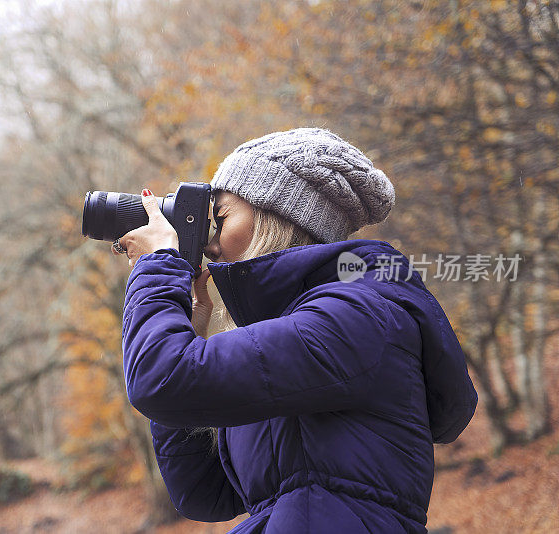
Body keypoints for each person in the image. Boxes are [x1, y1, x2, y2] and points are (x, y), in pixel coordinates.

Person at [112, 128, 477, 533]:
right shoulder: (296, 330)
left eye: (222, 218)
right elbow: (204, 492)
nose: (210, 246)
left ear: (278, 217)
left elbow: (159, 380)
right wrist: (192, 335)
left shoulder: (358, 315)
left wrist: (160, 264)